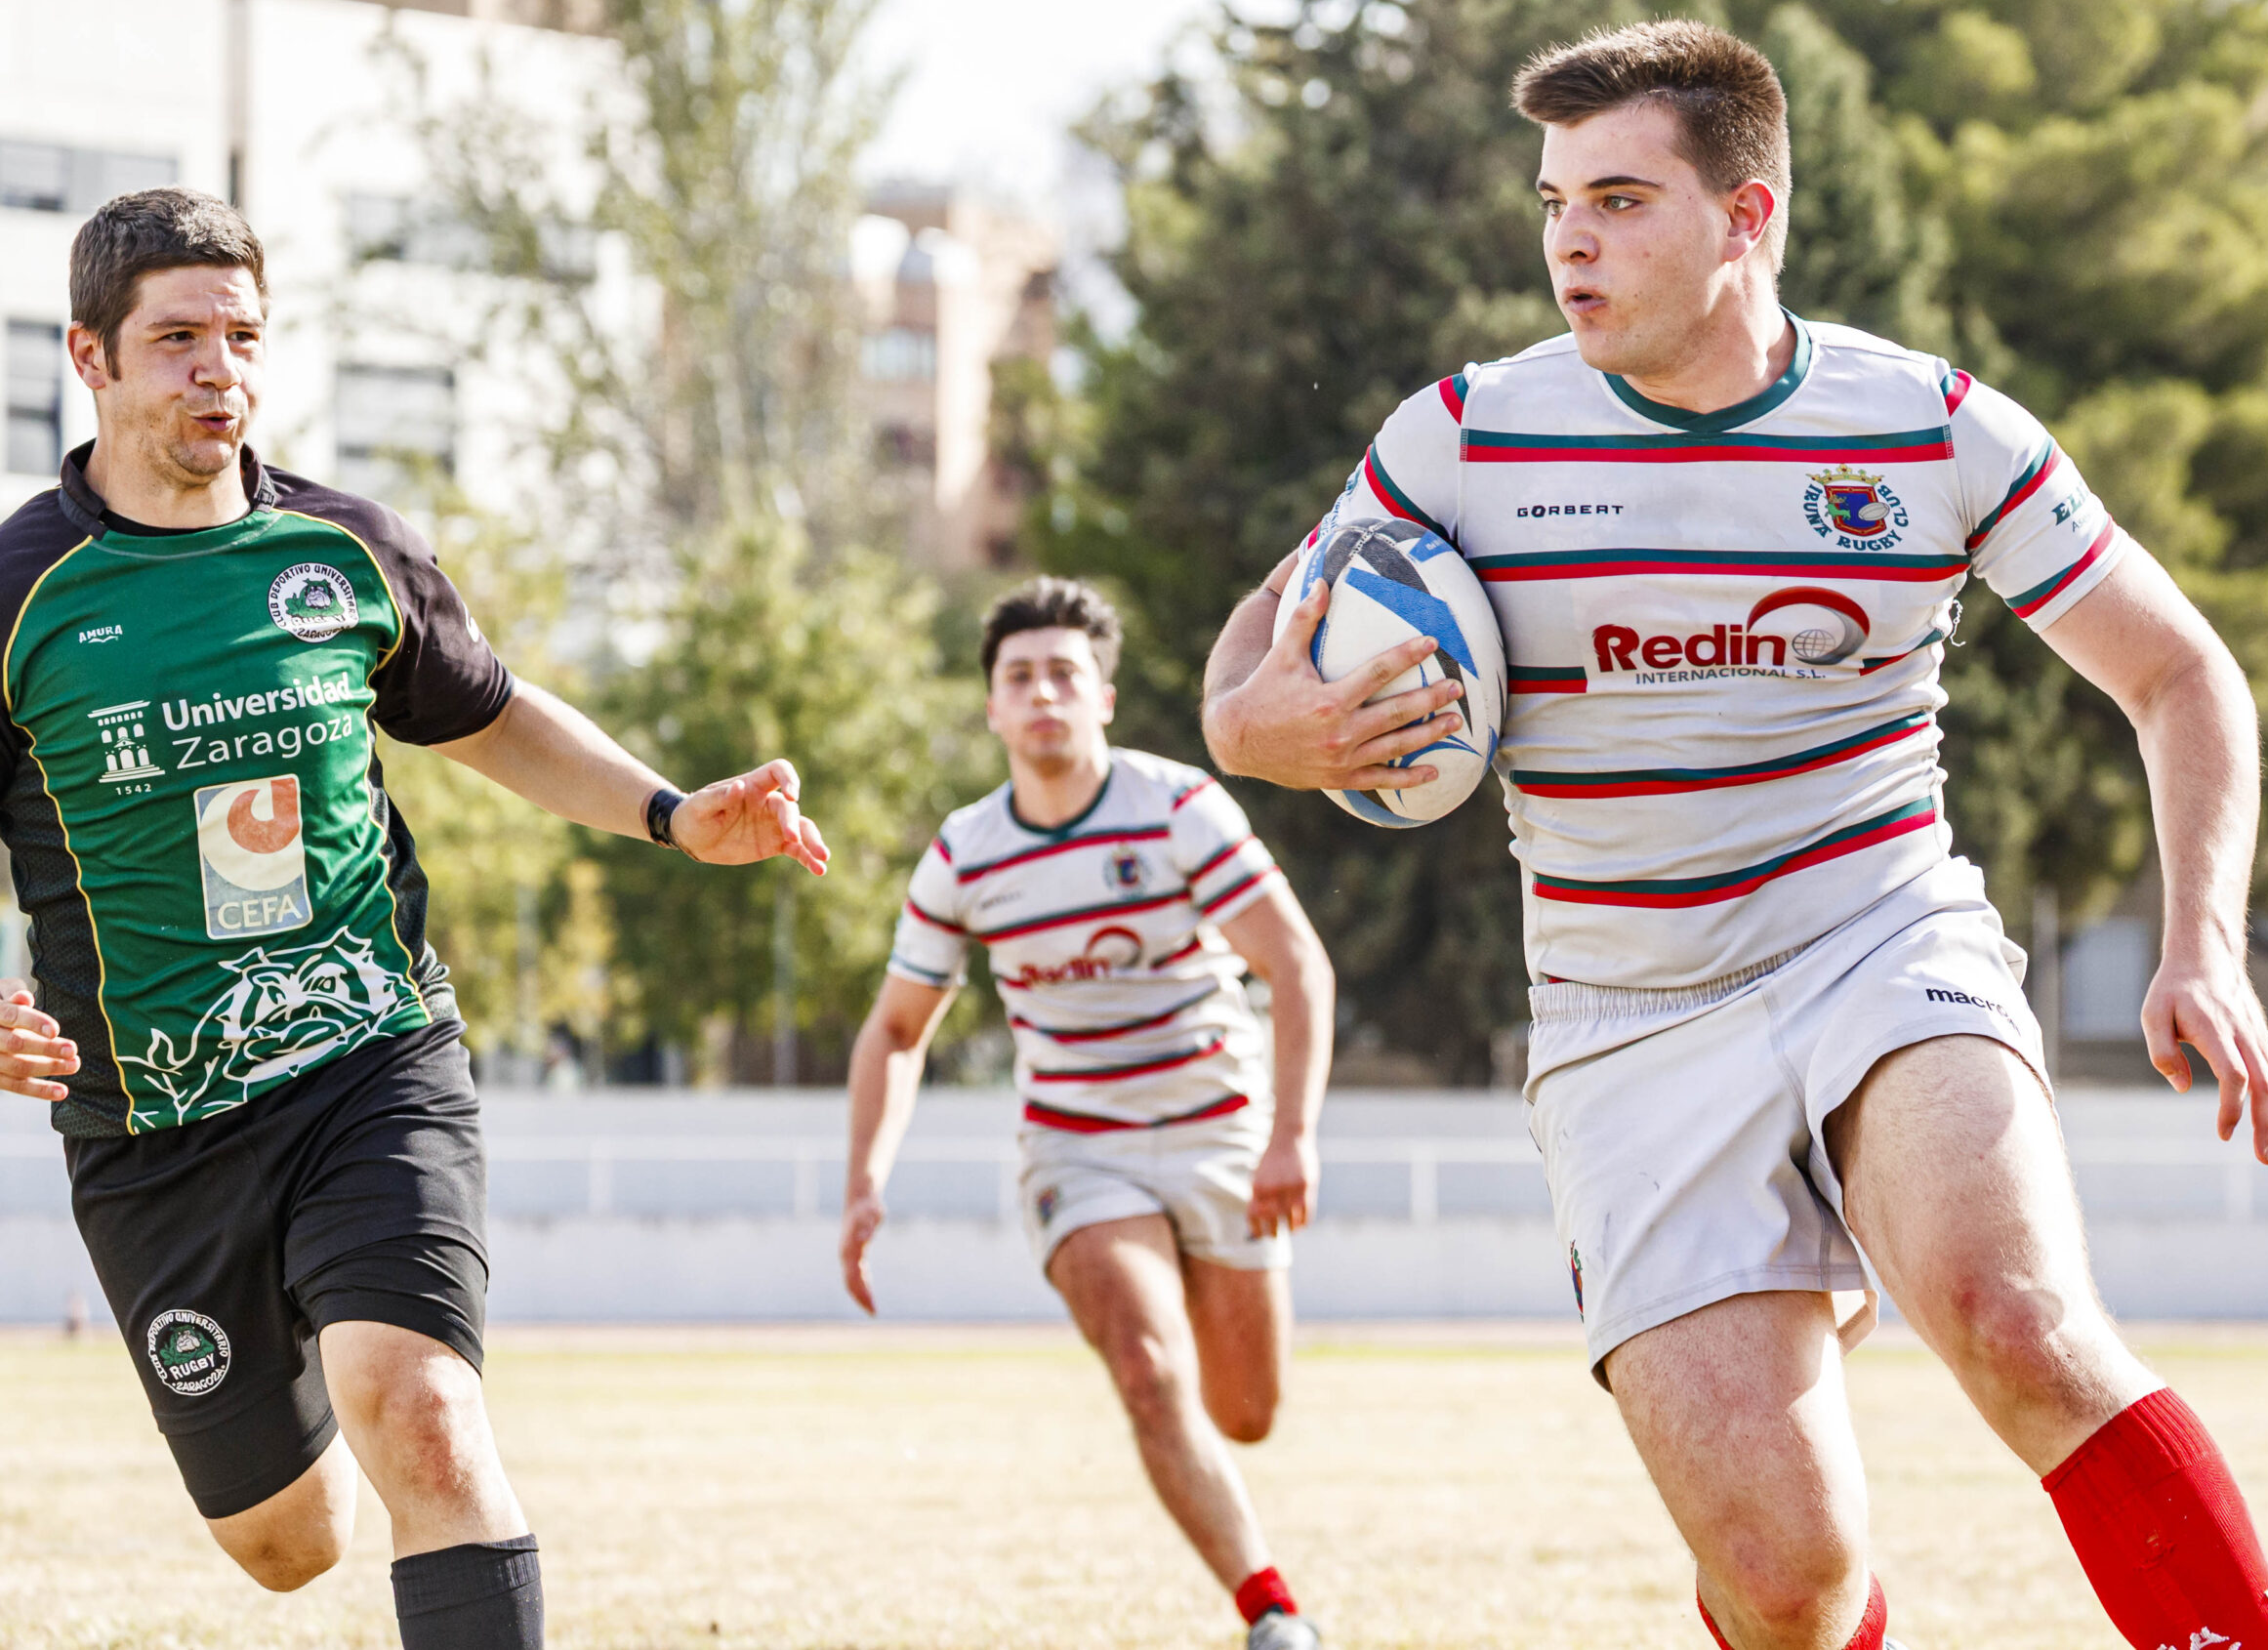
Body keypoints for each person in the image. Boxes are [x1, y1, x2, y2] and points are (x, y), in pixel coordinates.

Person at [1199, 21, 2268, 1650]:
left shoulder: (1928, 426)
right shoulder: (1463, 437)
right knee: (1790, 1585)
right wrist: (1258, 729)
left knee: (2017, 1319)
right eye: (1557, 198)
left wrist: (2201, 938)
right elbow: (1239, 677)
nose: (1572, 238)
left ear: (1749, 216)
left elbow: (2180, 672)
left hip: (1882, 939)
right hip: (1625, 1016)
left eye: (1625, 197)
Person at [0, 187, 830, 1650]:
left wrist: (668, 809)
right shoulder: (18, 594)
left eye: (243, 337)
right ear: (92, 357)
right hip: (152, 1130)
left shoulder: (341, 549)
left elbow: (492, 713)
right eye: (178, 338)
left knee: (426, 1418)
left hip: (368, 1062)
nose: (219, 372)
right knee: (285, 1539)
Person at [842, 577, 1333, 1650]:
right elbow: (893, 1031)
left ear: (1103, 696)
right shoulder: (964, 854)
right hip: (1078, 1147)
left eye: (1064, 672)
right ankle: (1271, 1614)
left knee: (1247, 1411)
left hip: (1222, 1131)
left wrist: (1292, 1134)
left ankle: (1212, 1446)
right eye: (1019, 677)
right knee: (1151, 1376)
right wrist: (865, 1182)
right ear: (992, 710)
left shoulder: (1178, 808)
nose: (1043, 693)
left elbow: (1294, 965)